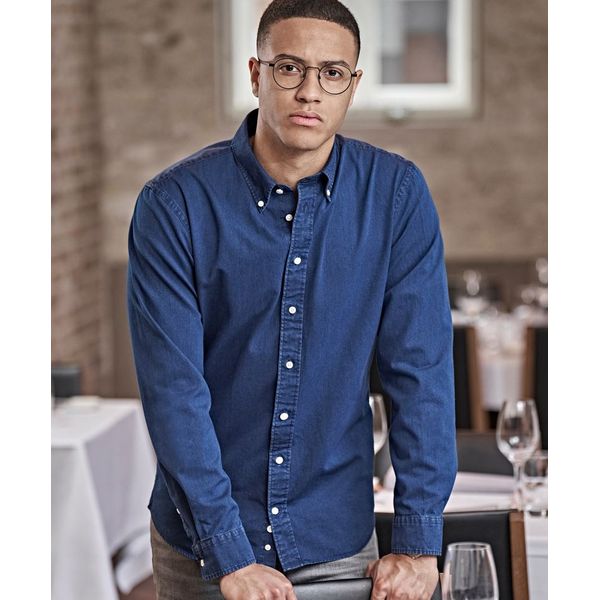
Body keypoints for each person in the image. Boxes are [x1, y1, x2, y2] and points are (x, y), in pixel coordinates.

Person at [127, 1, 457, 599]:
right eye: (289, 68)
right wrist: (228, 552)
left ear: (352, 86)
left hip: (336, 541)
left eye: (332, 73)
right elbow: (174, 392)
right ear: (256, 74)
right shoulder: (174, 206)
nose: (310, 91)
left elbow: (421, 374)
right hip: (204, 547)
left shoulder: (396, 196)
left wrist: (417, 541)